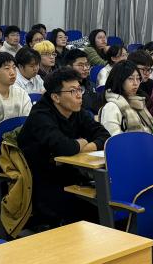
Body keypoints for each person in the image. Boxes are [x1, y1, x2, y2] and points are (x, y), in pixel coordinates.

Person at [17, 68, 109, 225]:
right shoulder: (40, 115)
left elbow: (104, 136)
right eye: (73, 91)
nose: (79, 95)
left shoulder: (76, 110)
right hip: (43, 182)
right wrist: (82, 142)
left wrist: (84, 145)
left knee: (106, 201)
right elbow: (65, 147)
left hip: (71, 173)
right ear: (55, 97)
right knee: (95, 213)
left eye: (79, 89)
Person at [100, 61, 153, 135]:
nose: (136, 83)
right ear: (119, 80)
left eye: (138, 78)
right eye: (131, 79)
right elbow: (114, 139)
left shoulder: (139, 101)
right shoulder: (111, 107)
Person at [0, 52, 32, 126]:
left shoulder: (21, 92)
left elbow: (29, 119)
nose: (12, 73)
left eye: (14, 68)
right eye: (7, 68)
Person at [61, 48, 102, 113]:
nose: (85, 68)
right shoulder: (63, 88)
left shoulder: (92, 85)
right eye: (80, 65)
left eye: (87, 64)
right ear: (69, 67)